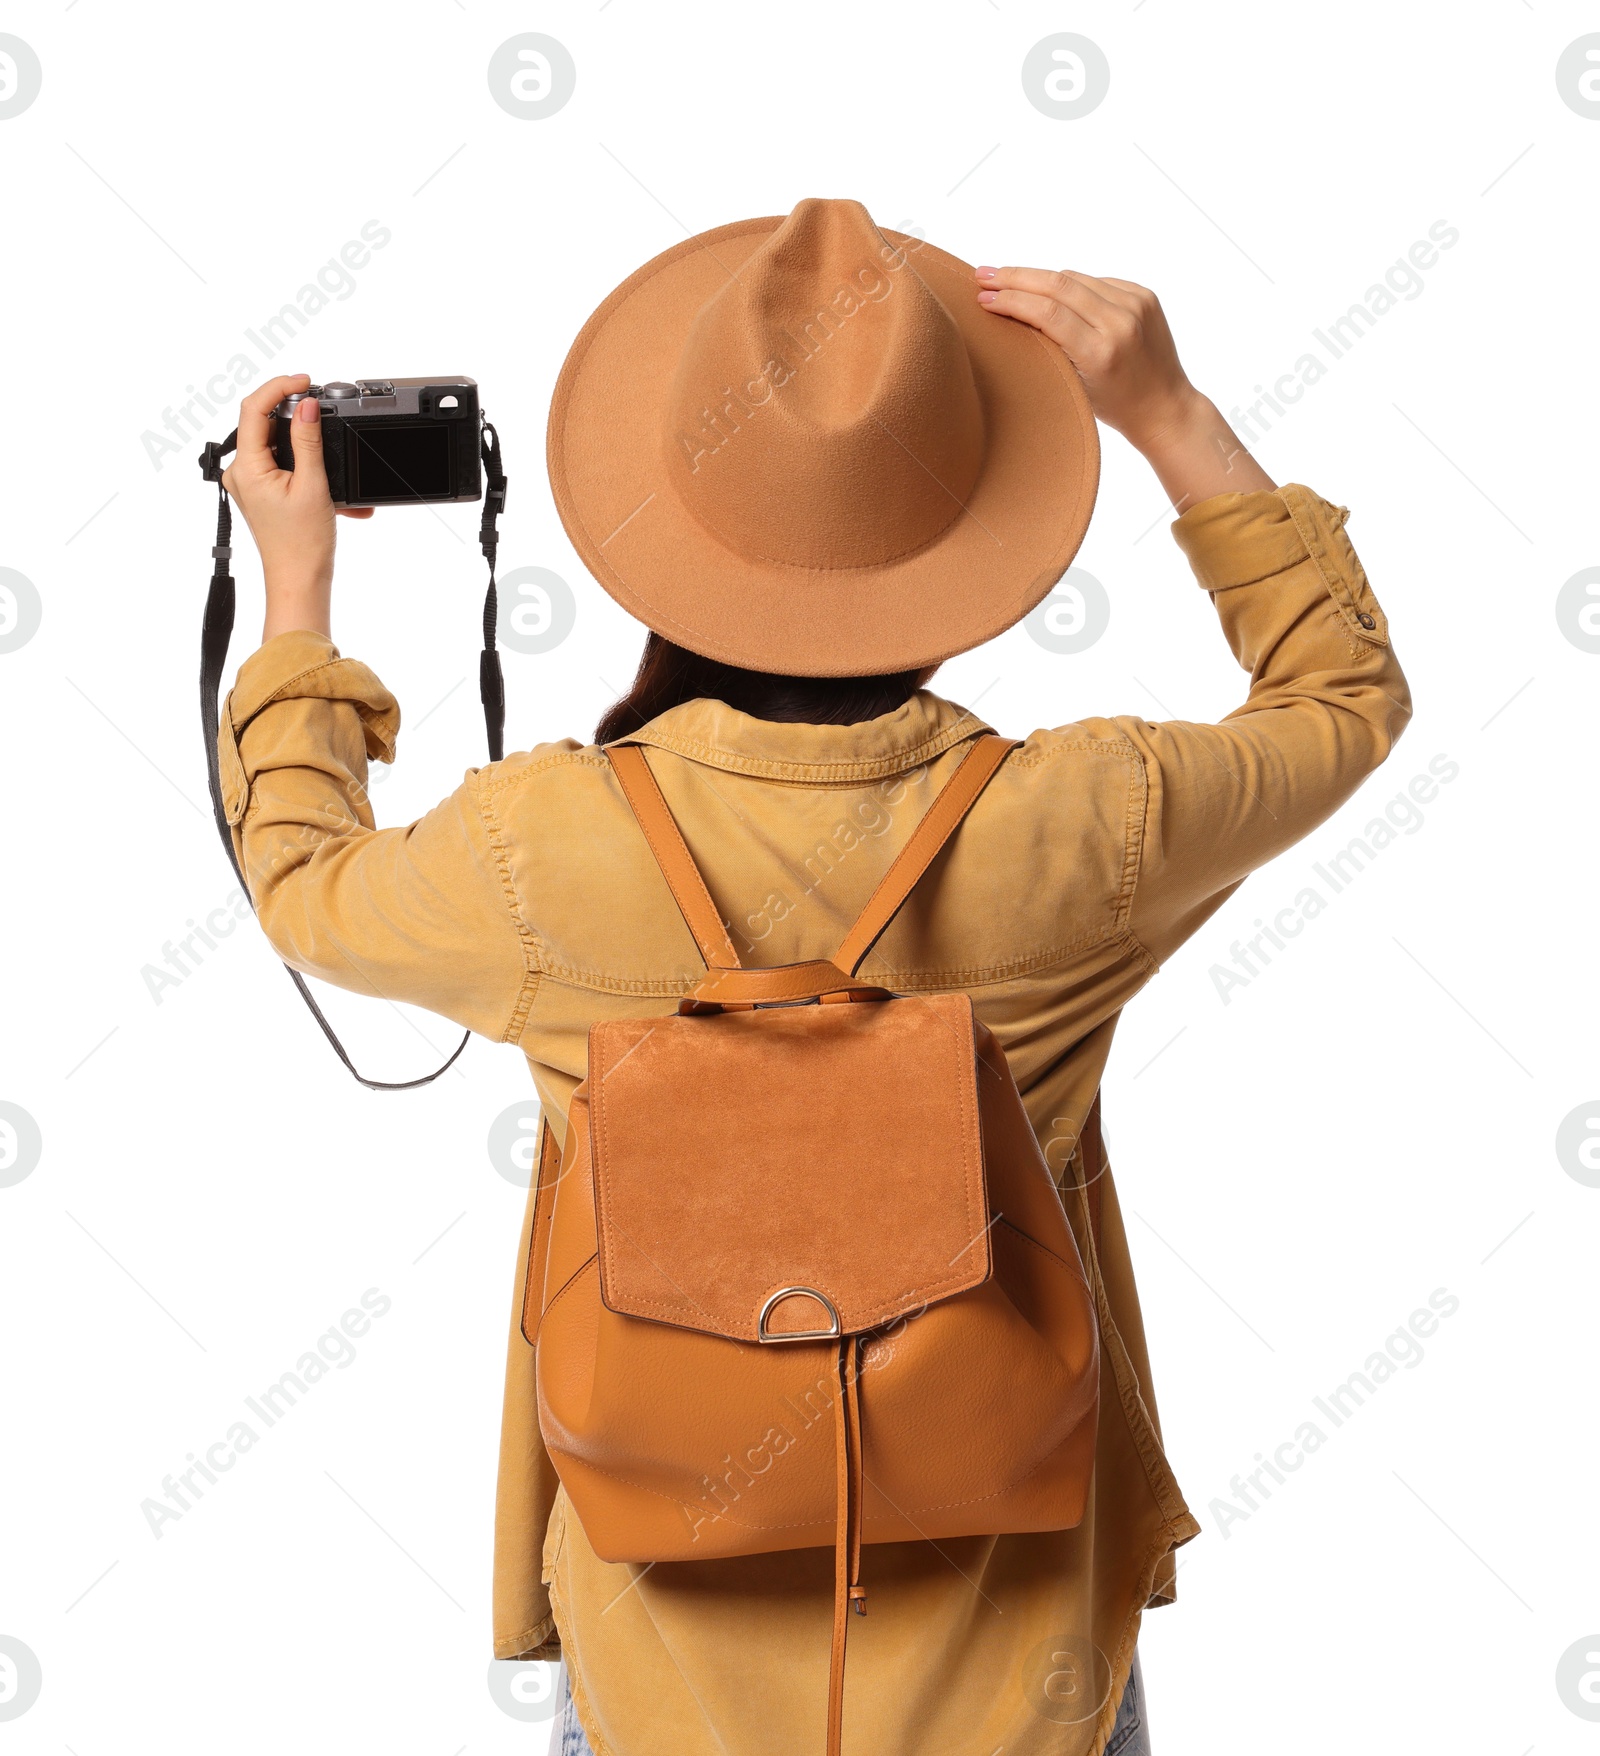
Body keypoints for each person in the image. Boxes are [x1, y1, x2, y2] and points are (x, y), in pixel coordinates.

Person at [218, 198, 1409, 1755]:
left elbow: (300, 879)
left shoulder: (542, 849)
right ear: (960, 529)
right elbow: (1342, 694)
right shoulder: (1085, 821)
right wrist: (1169, 414)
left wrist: (296, 586)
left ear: (667, 522)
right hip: (1020, 1669)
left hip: (667, 1670)